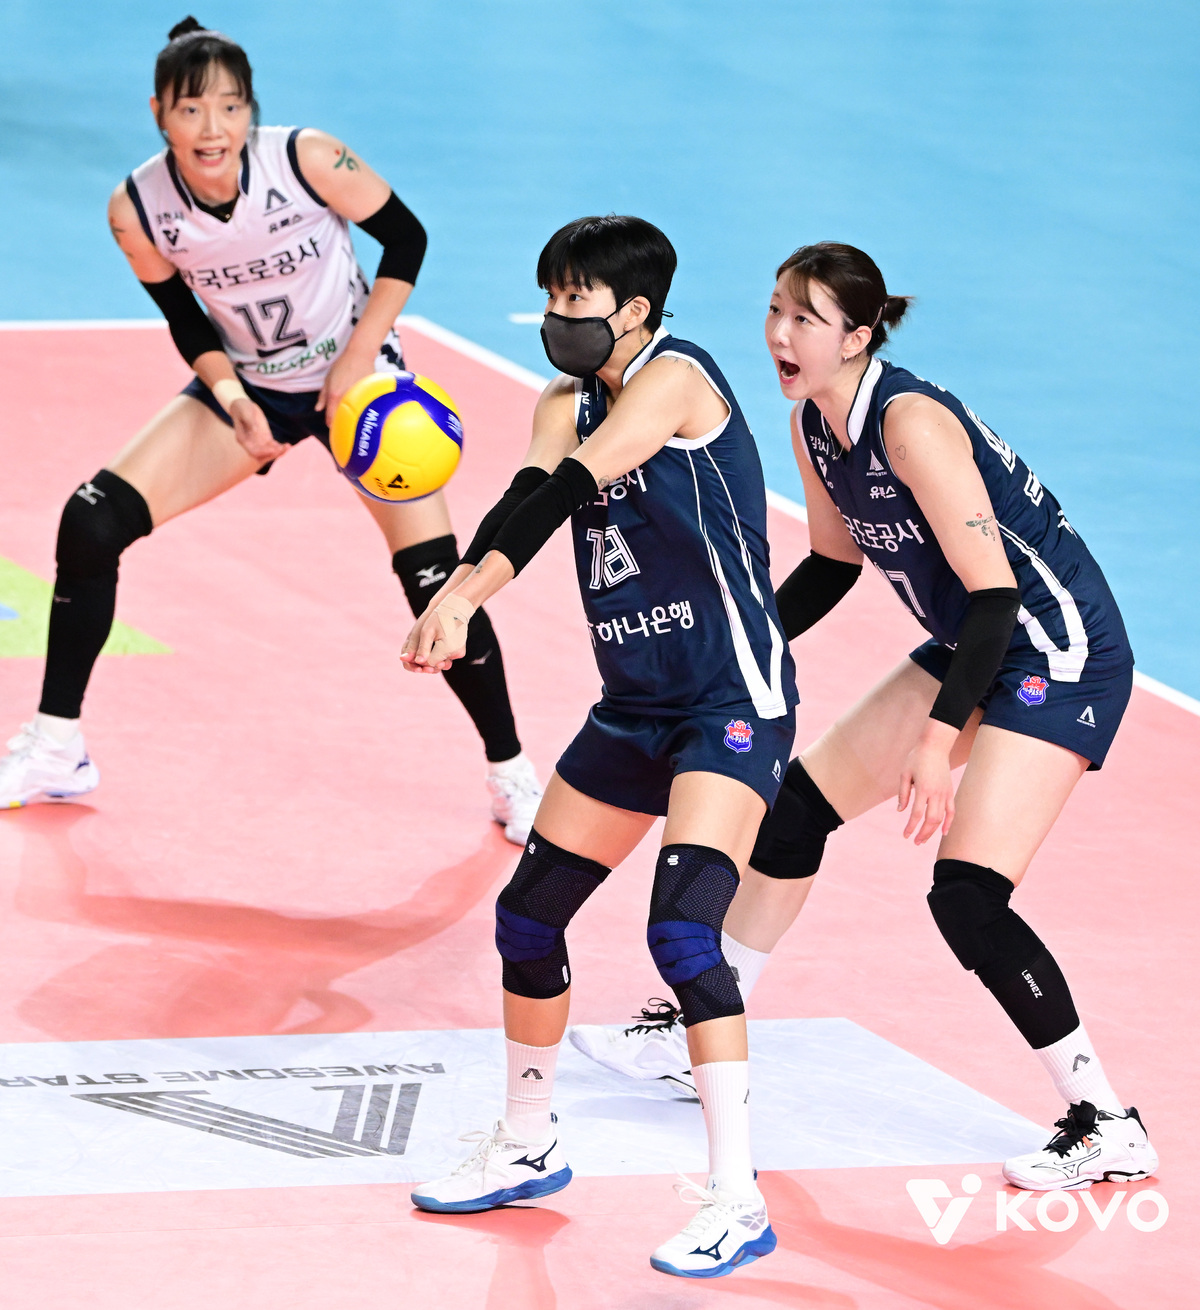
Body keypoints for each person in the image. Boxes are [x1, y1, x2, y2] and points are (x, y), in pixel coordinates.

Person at [571, 241, 1158, 1194]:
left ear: (858, 336)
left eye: (805, 319)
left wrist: (936, 740)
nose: (779, 334)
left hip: (1056, 652)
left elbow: (996, 596)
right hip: (975, 643)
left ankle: (1107, 1121)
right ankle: (694, 1035)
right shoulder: (814, 424)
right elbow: (832, 565)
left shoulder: (911, 423)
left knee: (966, 894)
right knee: (794, 815)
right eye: (775, 310)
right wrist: (734, 643)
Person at [0, 18, 542, 842]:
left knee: (437, 579)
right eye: (190, 110)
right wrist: (233, 397)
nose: (211, 128)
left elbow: (406, 238)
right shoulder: (137, 209)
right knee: (91, 520)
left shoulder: (308, 159)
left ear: (251, 111)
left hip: (361, 391)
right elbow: (186, 318)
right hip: (251, 386)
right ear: (159, 113)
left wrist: (358, 356)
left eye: (229, 108)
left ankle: (512, 776)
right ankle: (56, 747)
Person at [402, 215, 797, 1278]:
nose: (556, 318)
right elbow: (525, 498)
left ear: (635, 309)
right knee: (527, 919)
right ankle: (528, 1141)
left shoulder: (677, 382)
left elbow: (573, 487)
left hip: (728, 701)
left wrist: (470, 596)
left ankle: (736, 1196)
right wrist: (455, 591)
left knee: (685, 936)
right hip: (633, 704)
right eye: (550, 298)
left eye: (575, 300)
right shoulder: (560, 399)